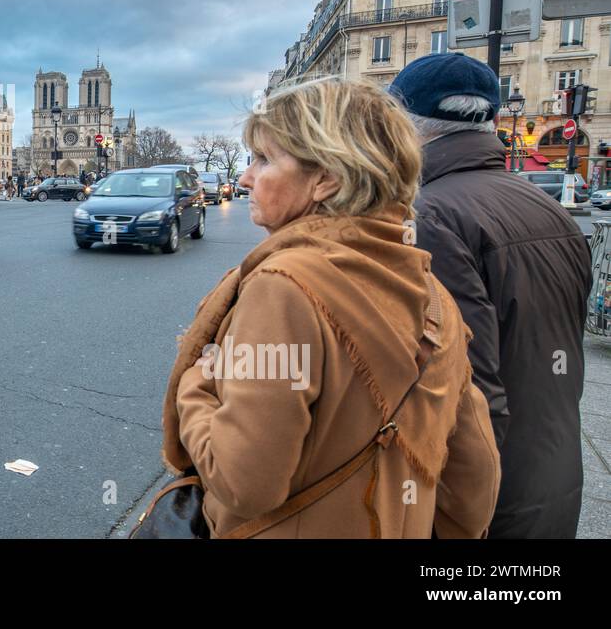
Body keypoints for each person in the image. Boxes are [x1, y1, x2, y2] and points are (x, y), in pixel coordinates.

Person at [161, 77, 499, 538]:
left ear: (326, 178)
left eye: (264, 159)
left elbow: (245, 483)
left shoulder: (284, 288)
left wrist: (196, 383)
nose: (245, 177)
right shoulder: (432, 293)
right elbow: (473, 476)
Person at [390, 53, 591, 538]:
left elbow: (467, 384)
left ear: (400, 123)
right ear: (494, 120)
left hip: (488, 496)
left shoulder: (430, 215)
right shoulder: (547, 206)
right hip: (552, 468)